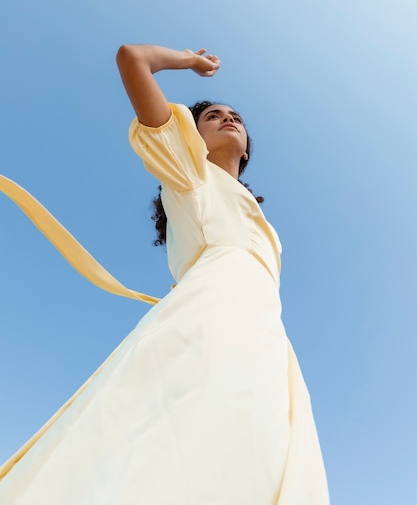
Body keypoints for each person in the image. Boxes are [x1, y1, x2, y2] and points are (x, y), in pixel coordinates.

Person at [0, 44, 329, 504]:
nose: (229, 118)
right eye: (213, 115)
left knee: (257, 456)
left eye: (236, 116)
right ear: (190, 136)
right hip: (207, 320)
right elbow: (132, 58)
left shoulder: (260, 219)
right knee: (173, 442)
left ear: (249, 146)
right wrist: (192, 63)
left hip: (264, 333)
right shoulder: (190, 172)